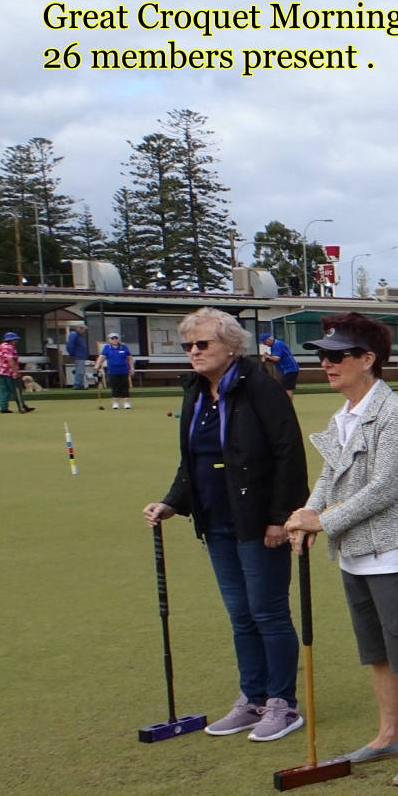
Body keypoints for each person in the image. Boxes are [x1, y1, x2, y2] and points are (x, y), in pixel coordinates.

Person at [284, 312, 398, 785]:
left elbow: (384, 488)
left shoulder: (395, 414)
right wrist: (305, 515)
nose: (327, 364)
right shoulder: (343, 416)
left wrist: (324, 520)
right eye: (323, 356)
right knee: (376, 652)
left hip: (394, 551)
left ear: (368, 359)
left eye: (337, 356)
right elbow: (328, 476)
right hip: (355, 551)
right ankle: (390, 733)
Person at [143, 309, 309, 741]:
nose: (193, 353)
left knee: (267, 611)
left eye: (202, 345)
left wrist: (280, 518)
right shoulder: (196, 392)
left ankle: (282, 704)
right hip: (215, 519)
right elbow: (192, 460)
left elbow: (288, 454)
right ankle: (252, 699)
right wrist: (172, 503)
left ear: (231, 347)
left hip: (257, 521)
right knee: (240, 615)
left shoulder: (260, 388)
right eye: (188, 347)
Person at [0, 331, 29, 414]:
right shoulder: (9, 347)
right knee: (16, 390)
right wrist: (15, 372)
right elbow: (10, 360)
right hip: (9, 372)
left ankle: (3, 408)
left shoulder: (0, 346)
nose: (16, 341)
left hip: (0, 372)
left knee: (4, 390)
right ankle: (22, 407)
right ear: (11, 340)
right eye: (15, 340)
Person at [97, 331, 135, 409]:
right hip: (112, 371)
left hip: (124, 370)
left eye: (116, 338)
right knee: (115, 387)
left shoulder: (124, 347)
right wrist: (97, 365)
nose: (114, 339)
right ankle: (115, 403)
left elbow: (129, 358)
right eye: (112, 338)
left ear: (118, 339)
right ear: (110, 340)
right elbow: (102, 357)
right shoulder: (107, 348)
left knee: (125, 386)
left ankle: (126, 402)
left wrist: (132, 368)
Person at [65, 324, 90, 390]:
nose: (84, 332)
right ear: (80, 328)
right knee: (79, 371)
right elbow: (70, 345)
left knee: (80, 370)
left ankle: (80, 384)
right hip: (78, 355)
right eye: (84, 330)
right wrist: (72, 354)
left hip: (81, 356)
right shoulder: (74, 334)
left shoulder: (79, 336)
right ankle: (78, 385)